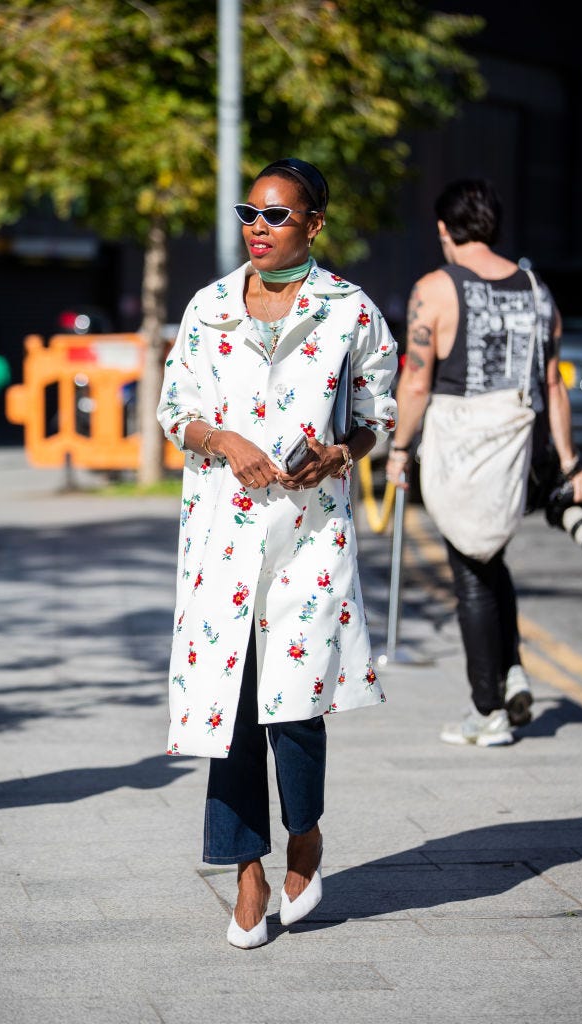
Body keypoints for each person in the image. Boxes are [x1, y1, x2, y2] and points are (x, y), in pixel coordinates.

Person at [157, 158, 397, 948]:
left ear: (313, 225)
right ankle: (245, 870)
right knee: (228, 708)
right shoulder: (208, 308)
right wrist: (222, 439)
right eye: (248, 214)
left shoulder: (348, 310)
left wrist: (341, 453)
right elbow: (174, 412)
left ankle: (305, 836)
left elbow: (377, 409)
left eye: (276, 216)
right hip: (223, 531)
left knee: (293, 703)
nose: (257, 229)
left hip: (308, 528)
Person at [386, 179, 582, 747]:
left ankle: (487, 713)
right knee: (491, 559)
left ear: (443, 230)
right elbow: (554, 386)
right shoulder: (537, 288)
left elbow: (415, 379)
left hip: (462, 444)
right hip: (519, 445)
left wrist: (400, 450)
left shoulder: (434, 289)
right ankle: (510, 674)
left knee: (471, 570)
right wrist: (571, 463)